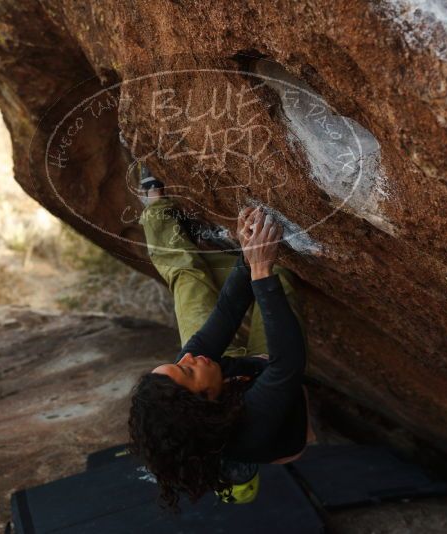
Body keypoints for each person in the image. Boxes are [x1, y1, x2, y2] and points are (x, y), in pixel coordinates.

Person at [127, 169, 315, 512]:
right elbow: (287, 364)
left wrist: (247, 257)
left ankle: (155, 205)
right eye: (184, 372)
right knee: (280, 277)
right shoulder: (252, 427)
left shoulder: (194, 369)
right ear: (205, 402)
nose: (186, 358)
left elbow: (227, 313)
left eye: (177, 364)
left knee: (188, 279)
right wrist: (261, 270)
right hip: (268, 376)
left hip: (230, 376)